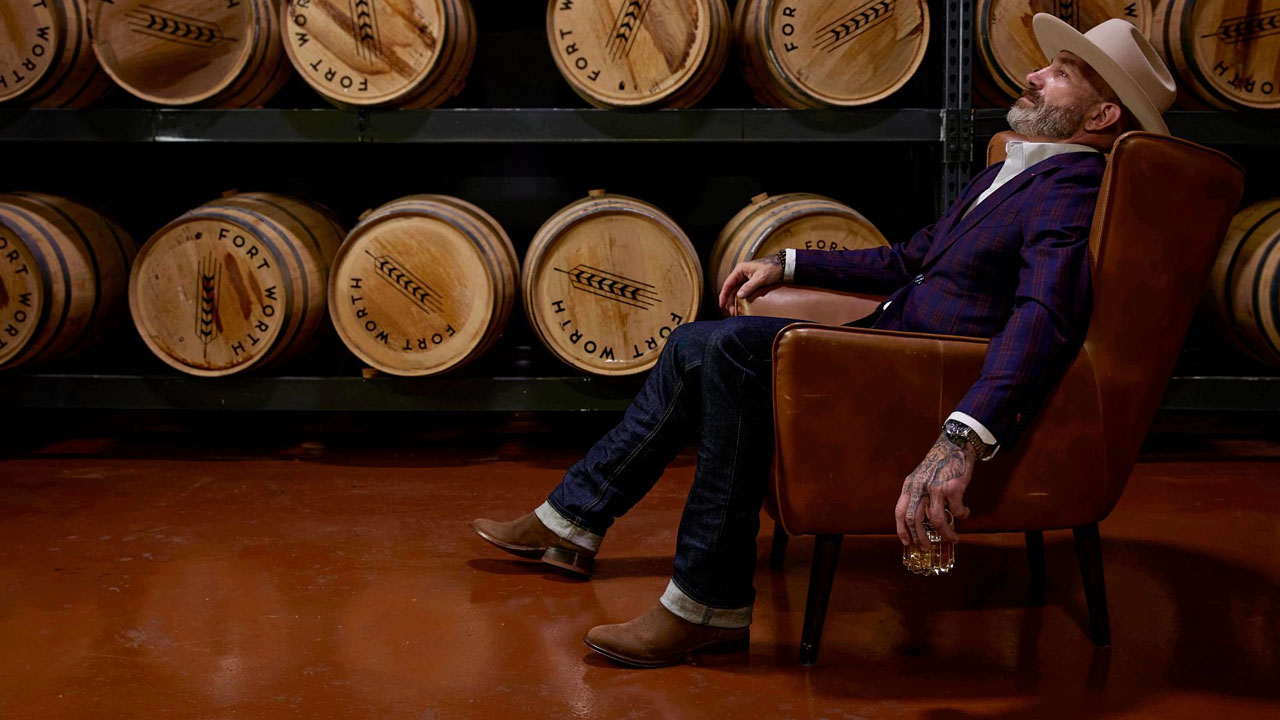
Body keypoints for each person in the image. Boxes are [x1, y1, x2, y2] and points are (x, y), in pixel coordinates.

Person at [471, 15, 1177, 668]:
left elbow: (1045, 315)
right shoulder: (1009, 171)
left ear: (1102, 114)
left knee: (721, 351)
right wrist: (790, 262)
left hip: (913, 376)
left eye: (1058, 72)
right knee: (695, 343)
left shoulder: (1072, 185)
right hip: (885, 353)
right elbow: (910, 258)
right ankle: (576, 523)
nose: (1032, 75)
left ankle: (700, 599)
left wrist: (962, 434)